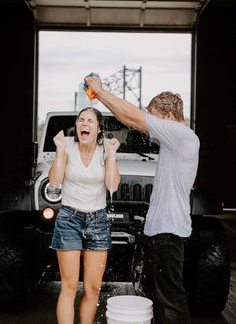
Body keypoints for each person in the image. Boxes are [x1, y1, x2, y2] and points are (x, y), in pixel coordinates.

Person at [84, 75, 200, 324]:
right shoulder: (173, 140)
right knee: (158, 298)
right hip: (161, 232)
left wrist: (101, 91)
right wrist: (104, 101)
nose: (150, 126)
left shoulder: (181, 135)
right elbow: (130, 119)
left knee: (171, 299)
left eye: (153, 116)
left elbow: (134, 116)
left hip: (169, 232)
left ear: (168, 115)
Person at [49, 107, 120, 324]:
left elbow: (112, 186)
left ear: (99, 129)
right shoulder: (67, 145)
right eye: (81, 120)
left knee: (92, 288)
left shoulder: (105, 149)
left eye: (90, 121)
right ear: (77, 126)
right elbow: (54, 181)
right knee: (69, 286)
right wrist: (60, 150)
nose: (84, 124)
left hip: (98, 220)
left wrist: (112, 156)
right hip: (69, 218)